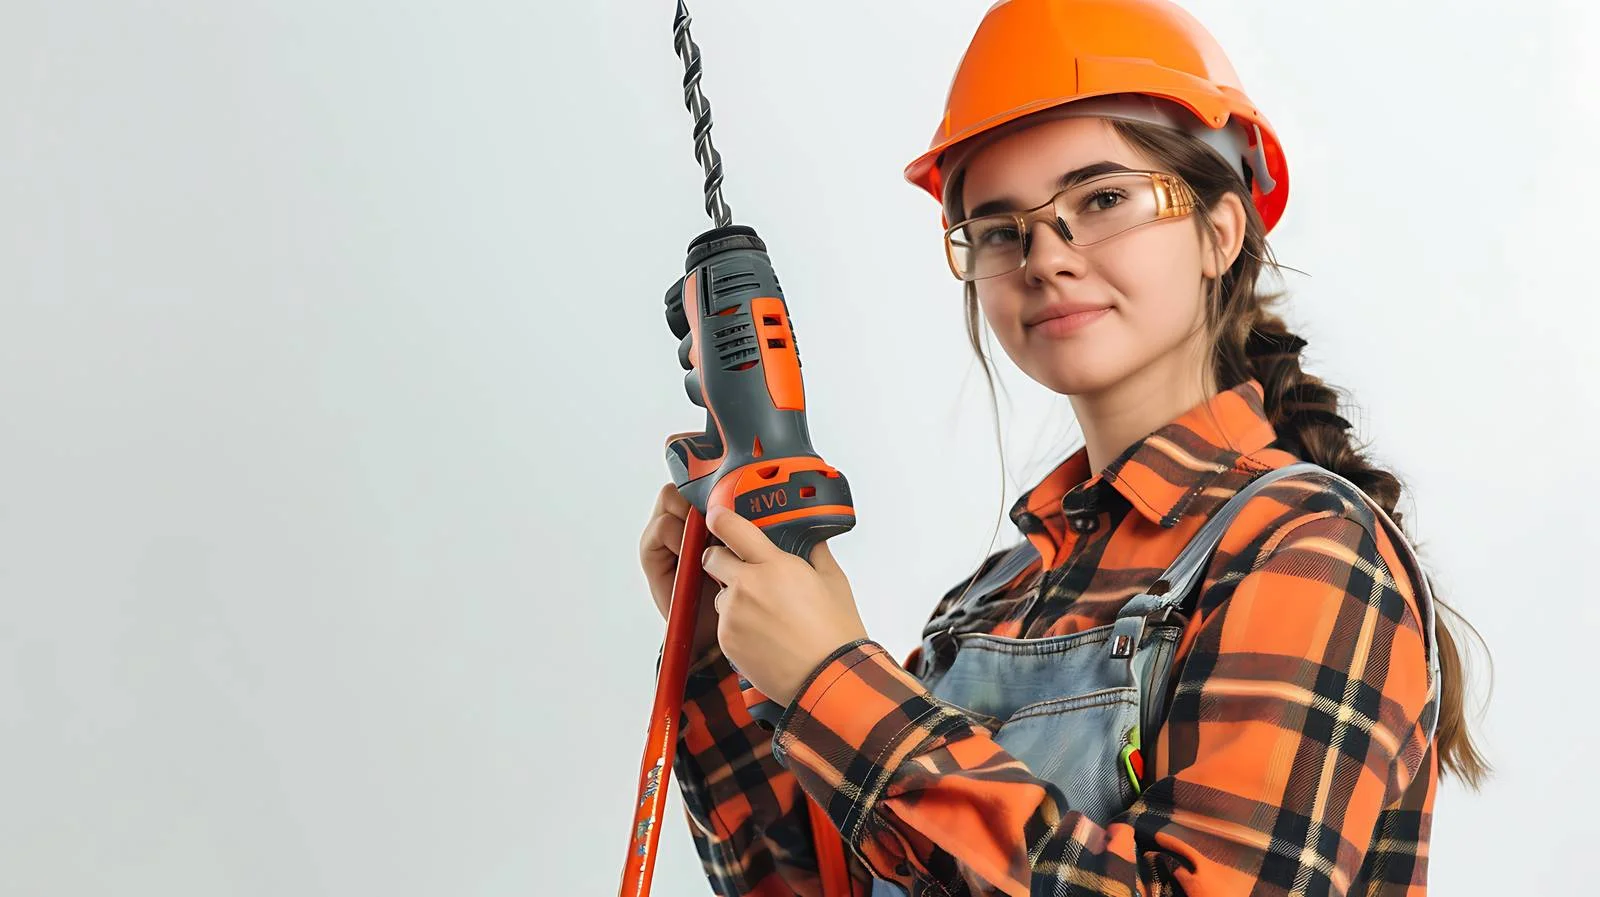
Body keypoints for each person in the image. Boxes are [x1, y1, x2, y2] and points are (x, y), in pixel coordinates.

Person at [638, 1, 1487, 893]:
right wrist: (720, 653)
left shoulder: (1309, 549)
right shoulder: (989, 603)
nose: (1045, 256)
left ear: (1221, 230)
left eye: (1103, 199)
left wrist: (832, 680)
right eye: (1001, 229)